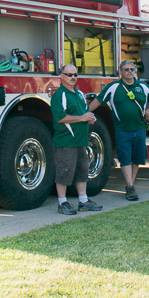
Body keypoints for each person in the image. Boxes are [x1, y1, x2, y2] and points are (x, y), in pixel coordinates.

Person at [89, 61, 149, 201]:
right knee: (125, 158)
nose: (129, 71)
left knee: (137, 158)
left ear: (135, 71)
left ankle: (130, 185)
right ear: (120, 71)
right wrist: (86, 114)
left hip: (139, 129)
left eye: (131, 69)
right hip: (122, 130)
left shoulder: (142, 87)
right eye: (126, 69)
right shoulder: (114, 87)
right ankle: (129, 185)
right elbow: (98, 100)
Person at [51, 64, 103, 215]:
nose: (73, 77)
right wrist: (82, 118)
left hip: (81, 141)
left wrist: (90, 118)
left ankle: (83, 201)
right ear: (61, 76)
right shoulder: (59, 95)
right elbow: (60, 118)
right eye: (69, 74)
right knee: (64, 172)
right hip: (65, 142)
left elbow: (85, 112)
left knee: (82, 172)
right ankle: (62, 203)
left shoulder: (80, 94)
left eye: (75, 75)